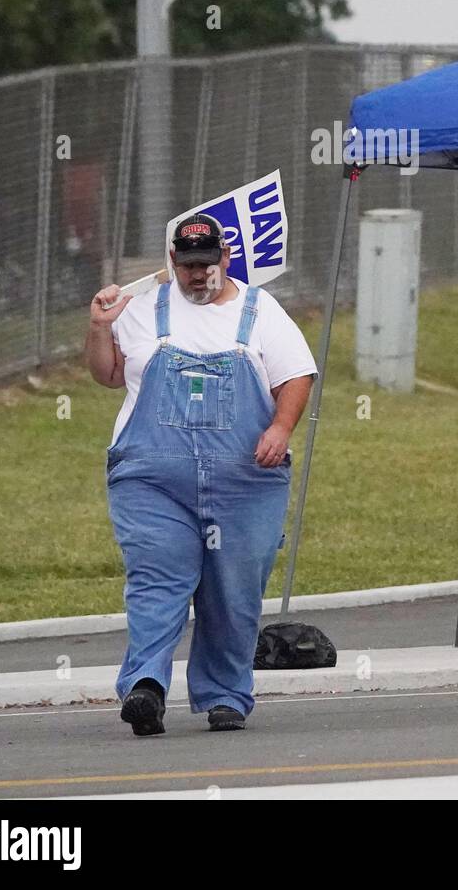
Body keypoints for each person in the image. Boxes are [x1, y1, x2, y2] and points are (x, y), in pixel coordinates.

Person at [86, 213, 317, 736]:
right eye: (187, 265)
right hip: (153, 476)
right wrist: (100, 327)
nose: (197, 275)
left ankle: (225, 694)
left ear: (226, 259)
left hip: (244, 478)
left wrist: (281, 428)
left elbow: (297, 375)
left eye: (206, 264)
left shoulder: (261, 312)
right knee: (157, 576)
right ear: (172, 262)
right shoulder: (143, 310)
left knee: (232, 590)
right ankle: (146, 684)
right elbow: (107, 374)